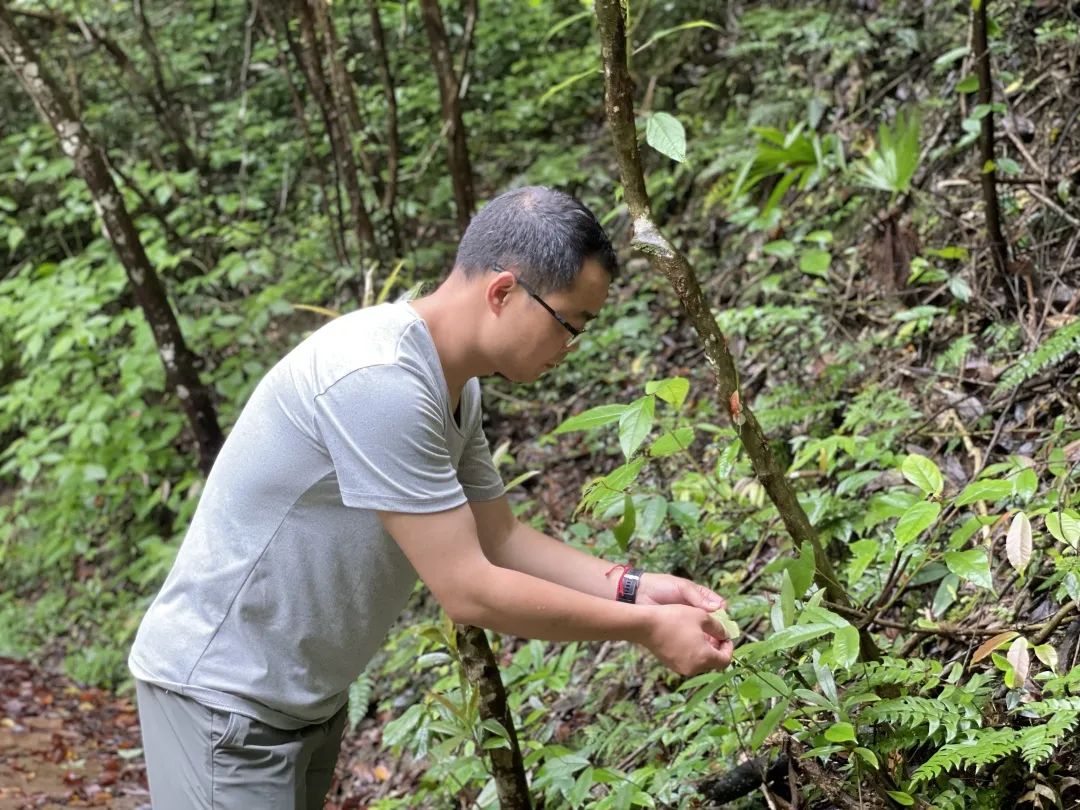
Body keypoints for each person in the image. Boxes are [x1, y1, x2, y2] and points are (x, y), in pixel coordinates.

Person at [128, 186, 733, 809]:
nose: (569, 348)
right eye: (568, 324)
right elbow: (468, 588)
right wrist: (646, 628)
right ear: (503, 292)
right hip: (221, 699)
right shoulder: (379, 379)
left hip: (303, 701)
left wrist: (635, 588)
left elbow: (499, 538)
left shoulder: (451, 384)